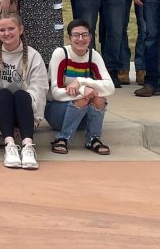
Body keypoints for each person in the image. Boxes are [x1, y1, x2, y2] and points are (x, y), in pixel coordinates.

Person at [0, 13, 48, 170]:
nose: (6, 33)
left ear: (21, 29)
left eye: (11, 28)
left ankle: (28, 146)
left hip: (23, 116)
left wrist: (31, 121)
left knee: (21, 95)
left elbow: (39, 91)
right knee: (4, 94)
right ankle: (9, 145)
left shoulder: (34, 56)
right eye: (2, 30)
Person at [46, 19, 114, 155]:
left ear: (90, 37)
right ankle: (62, 138)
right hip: (57, 113)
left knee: (99, 99)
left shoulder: (93, 56)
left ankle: (93, 139)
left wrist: (80, 81)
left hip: (84, 116)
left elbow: (110, 87)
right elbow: (55, 93)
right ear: (69, 38)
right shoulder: (61, 54)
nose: (81, 39)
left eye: (85, 35)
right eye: (76, 35)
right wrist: (83, 90)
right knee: (84, 98)